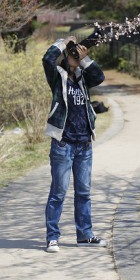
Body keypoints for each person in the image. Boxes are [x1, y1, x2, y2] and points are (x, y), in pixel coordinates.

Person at [42, 35, 106, 253]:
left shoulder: (83, 77)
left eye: (74, 53)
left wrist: (84, 59)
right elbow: (47, 58)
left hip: (84, 144)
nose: (73, 57)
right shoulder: (57, 77)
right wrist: (63, 41)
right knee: (58, 193)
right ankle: (52, 237)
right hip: (63, 143)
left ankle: (85, 235)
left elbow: (99, 77)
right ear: (64, 56)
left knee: (84, 192)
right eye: (70, 54)